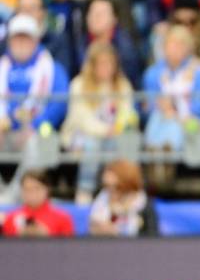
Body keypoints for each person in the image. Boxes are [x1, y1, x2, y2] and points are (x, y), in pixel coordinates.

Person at [0, 14, 69, 201]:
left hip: (42, 133)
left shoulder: (52, 67)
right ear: (9, 40)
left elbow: (59, 104)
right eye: (17, 37)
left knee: (40, 143)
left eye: (26, 38)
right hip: (6, 132)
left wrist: (36, 125)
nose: (21, 42)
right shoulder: (2, 66)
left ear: (36, 40)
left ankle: (16, 196)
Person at [61, 43, 137, 204]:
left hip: (113, 134)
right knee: (92, 144)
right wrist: (105, 130)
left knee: (127, 142)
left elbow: (127, 114)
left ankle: (123, 191)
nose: (106, 68)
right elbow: (81, 118)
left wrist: (117, 127)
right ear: (92, 65)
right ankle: (84, 192)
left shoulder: (122, 85)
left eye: (109, 63)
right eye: (101, 63)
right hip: (80, 135)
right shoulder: (79, 84)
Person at [141, 24, 200, 153]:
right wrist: (163, 109)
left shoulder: (199, 72)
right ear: (164, 47)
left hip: (193, 123)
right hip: (162, 118)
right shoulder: (153, 73)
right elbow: (148, 106)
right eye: (172, 44)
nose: (175, 49)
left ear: (188, 48)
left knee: (176, 124)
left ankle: (165, 153)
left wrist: (176, 115)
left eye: (180, 45)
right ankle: (155, 151)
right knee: (158, 118)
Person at [89, 159, 159, 237]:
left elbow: (152, 237)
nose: (111, 192)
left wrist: (118, 233)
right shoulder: (101, 202)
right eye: (107, 186)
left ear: (128, 186)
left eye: (117, 187)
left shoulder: (144, 206)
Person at [2, 169, 74, 237]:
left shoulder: (63, 218)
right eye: (27, 189)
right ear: (21, 191)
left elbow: (68, 247)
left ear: (47, 189)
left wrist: (47, 236)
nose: (32, 194)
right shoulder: (10, 218)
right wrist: (18, 236)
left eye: (37, 188)